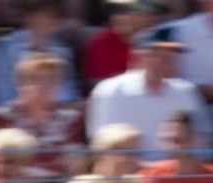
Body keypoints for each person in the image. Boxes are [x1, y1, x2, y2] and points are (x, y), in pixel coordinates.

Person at [86, 26, 212, 161]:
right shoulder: (111, 91)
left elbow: (202, 139)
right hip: (129, 175)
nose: (167, 60)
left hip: (177, 173)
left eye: (171, 55)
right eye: (158, 55)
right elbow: (103, 144)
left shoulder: (186, 91)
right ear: (139, 56)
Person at [0, 53, 85, 183]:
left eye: (51, 80)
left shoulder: (71, 119)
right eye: (36, 79)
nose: (44, 86)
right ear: (20, 84)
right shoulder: (3, 118)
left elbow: (74, 165)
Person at [0, 0, 79, 106]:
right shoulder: (7, 48)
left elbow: (69, 93)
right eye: (37, 15)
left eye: (49, 17)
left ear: (56, 22)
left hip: (52, 111)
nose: (43, 21)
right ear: (27, 18)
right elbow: (1, 93)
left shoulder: (63, 53)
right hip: (14, 111)